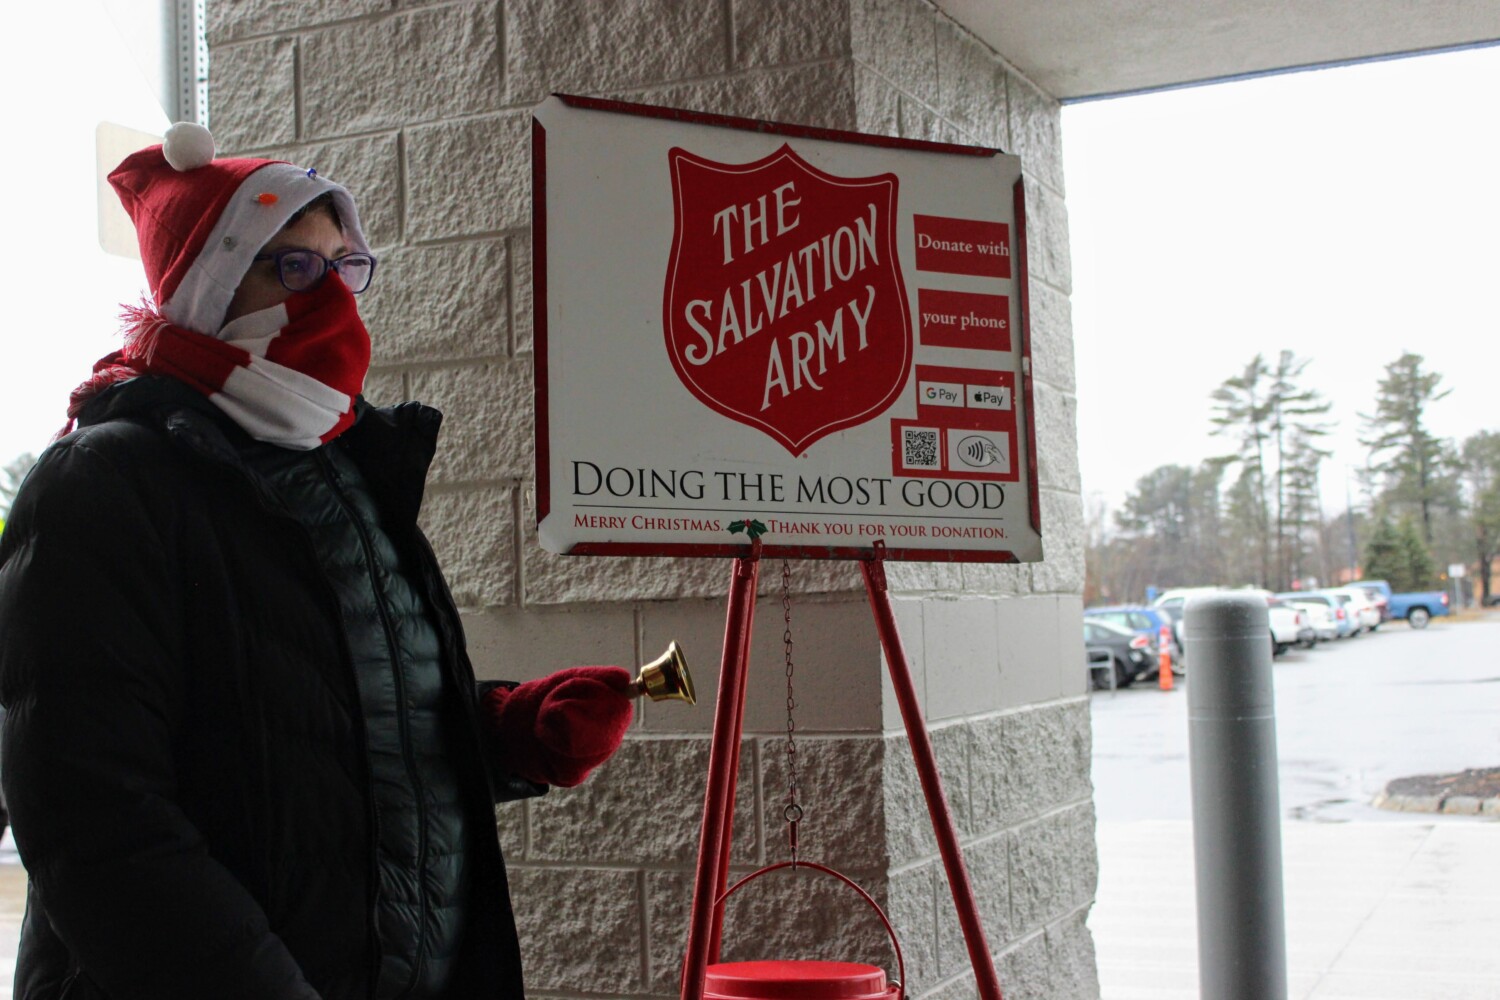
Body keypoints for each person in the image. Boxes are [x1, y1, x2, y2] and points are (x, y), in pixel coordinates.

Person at [0, 122, 636, 1000]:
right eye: (292, 267)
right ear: (211, 289)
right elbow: (98, 823)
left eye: (343, 264)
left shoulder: (344, 470)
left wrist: (506, 734)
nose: (330, 294)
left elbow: (326, 737)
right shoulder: (102, 485)